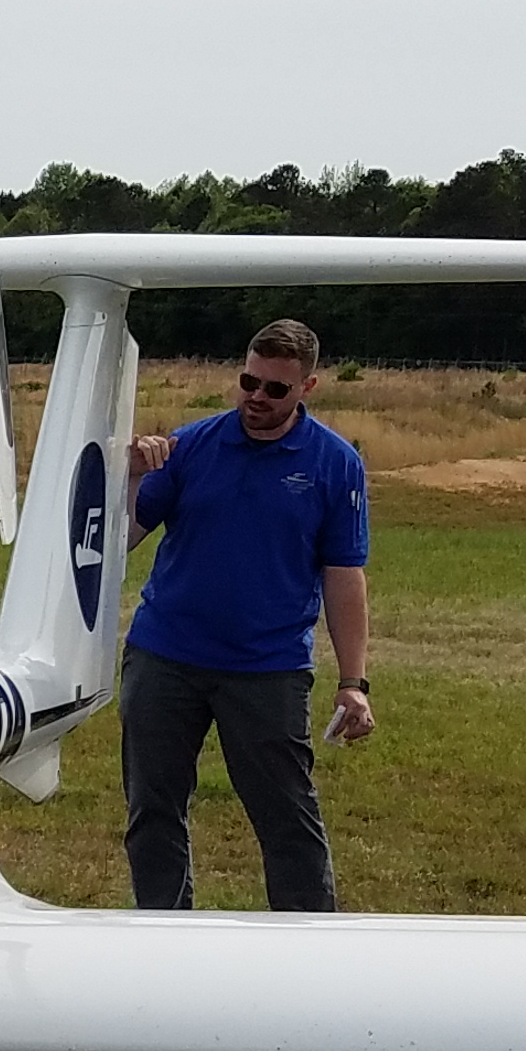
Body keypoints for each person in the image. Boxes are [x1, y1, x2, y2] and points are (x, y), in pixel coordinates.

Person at [119, 319, 373, 910]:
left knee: (287, 815)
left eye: (275, 389)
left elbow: (344, 576)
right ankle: (164, 935)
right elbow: (120, 539)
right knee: (152, 810)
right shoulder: (193, 447)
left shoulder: (334, 464)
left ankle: (306, 947)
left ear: (307, 387)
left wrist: (353, 682)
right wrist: (128, 472)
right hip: (165, 657)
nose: (257, 397)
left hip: (268, 668)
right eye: (248, 382)